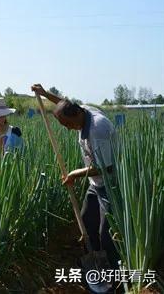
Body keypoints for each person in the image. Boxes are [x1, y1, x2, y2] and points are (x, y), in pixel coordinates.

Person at [31, 83, 119, 268]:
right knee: (87, 221)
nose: (69, 129)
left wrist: (74, 174)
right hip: (95, 184)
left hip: (111, 184)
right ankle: (95, 262)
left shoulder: (98, 129)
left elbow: (108, 167)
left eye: (69, 124)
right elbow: (64, 103)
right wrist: (44, 94)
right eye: (64, 125)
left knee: (107, 233)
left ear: (78, 114)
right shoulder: (81, 111)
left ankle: (113, 271)